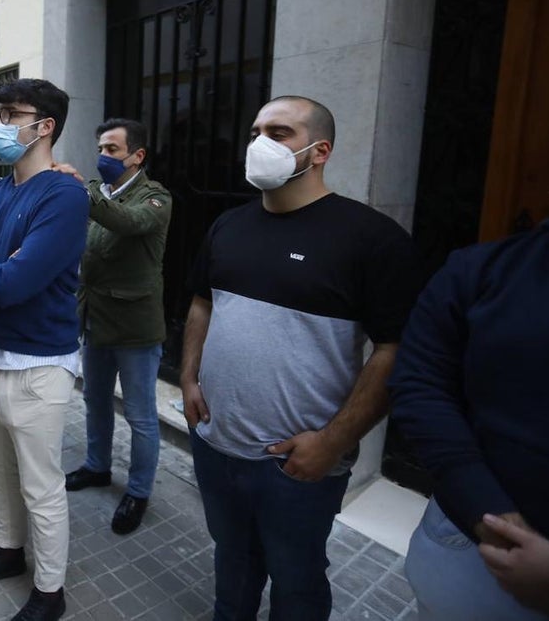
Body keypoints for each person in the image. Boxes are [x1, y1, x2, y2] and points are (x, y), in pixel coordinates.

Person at [179, 96, 420, 621]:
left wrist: (333, 443)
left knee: (298, 581)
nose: (260, 143)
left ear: (320, 151)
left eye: (280, 132)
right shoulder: (228, 226)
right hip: (218, 444)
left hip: (296, 465)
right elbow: (202, 301)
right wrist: (189, 377)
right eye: (255, 131)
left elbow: (393, 349)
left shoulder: (370, 239)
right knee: (233, 565)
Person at [0, 78, 89, 621]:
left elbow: (13, 283)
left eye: (10, 113)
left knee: (40, 483)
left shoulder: (65, 195)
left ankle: (49, 590)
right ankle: (7, 550)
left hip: (36, 365)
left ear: (44, 125)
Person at [388, 213, 549, 621]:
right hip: (475, 554)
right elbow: (419, 385)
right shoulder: (483, 271)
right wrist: (492, 519)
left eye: (276, 141)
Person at [60, 118, 171, 535]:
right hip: (95, 318)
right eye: (101, 149)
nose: (103, 157)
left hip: (136, 325)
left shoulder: (155, 197)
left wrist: (82, 189)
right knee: (95, 399)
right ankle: (97, 466)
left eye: (112, 150)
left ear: (137, 156)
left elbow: (128, 223)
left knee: (141, 415)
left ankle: (139, 491)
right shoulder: (99, 191)